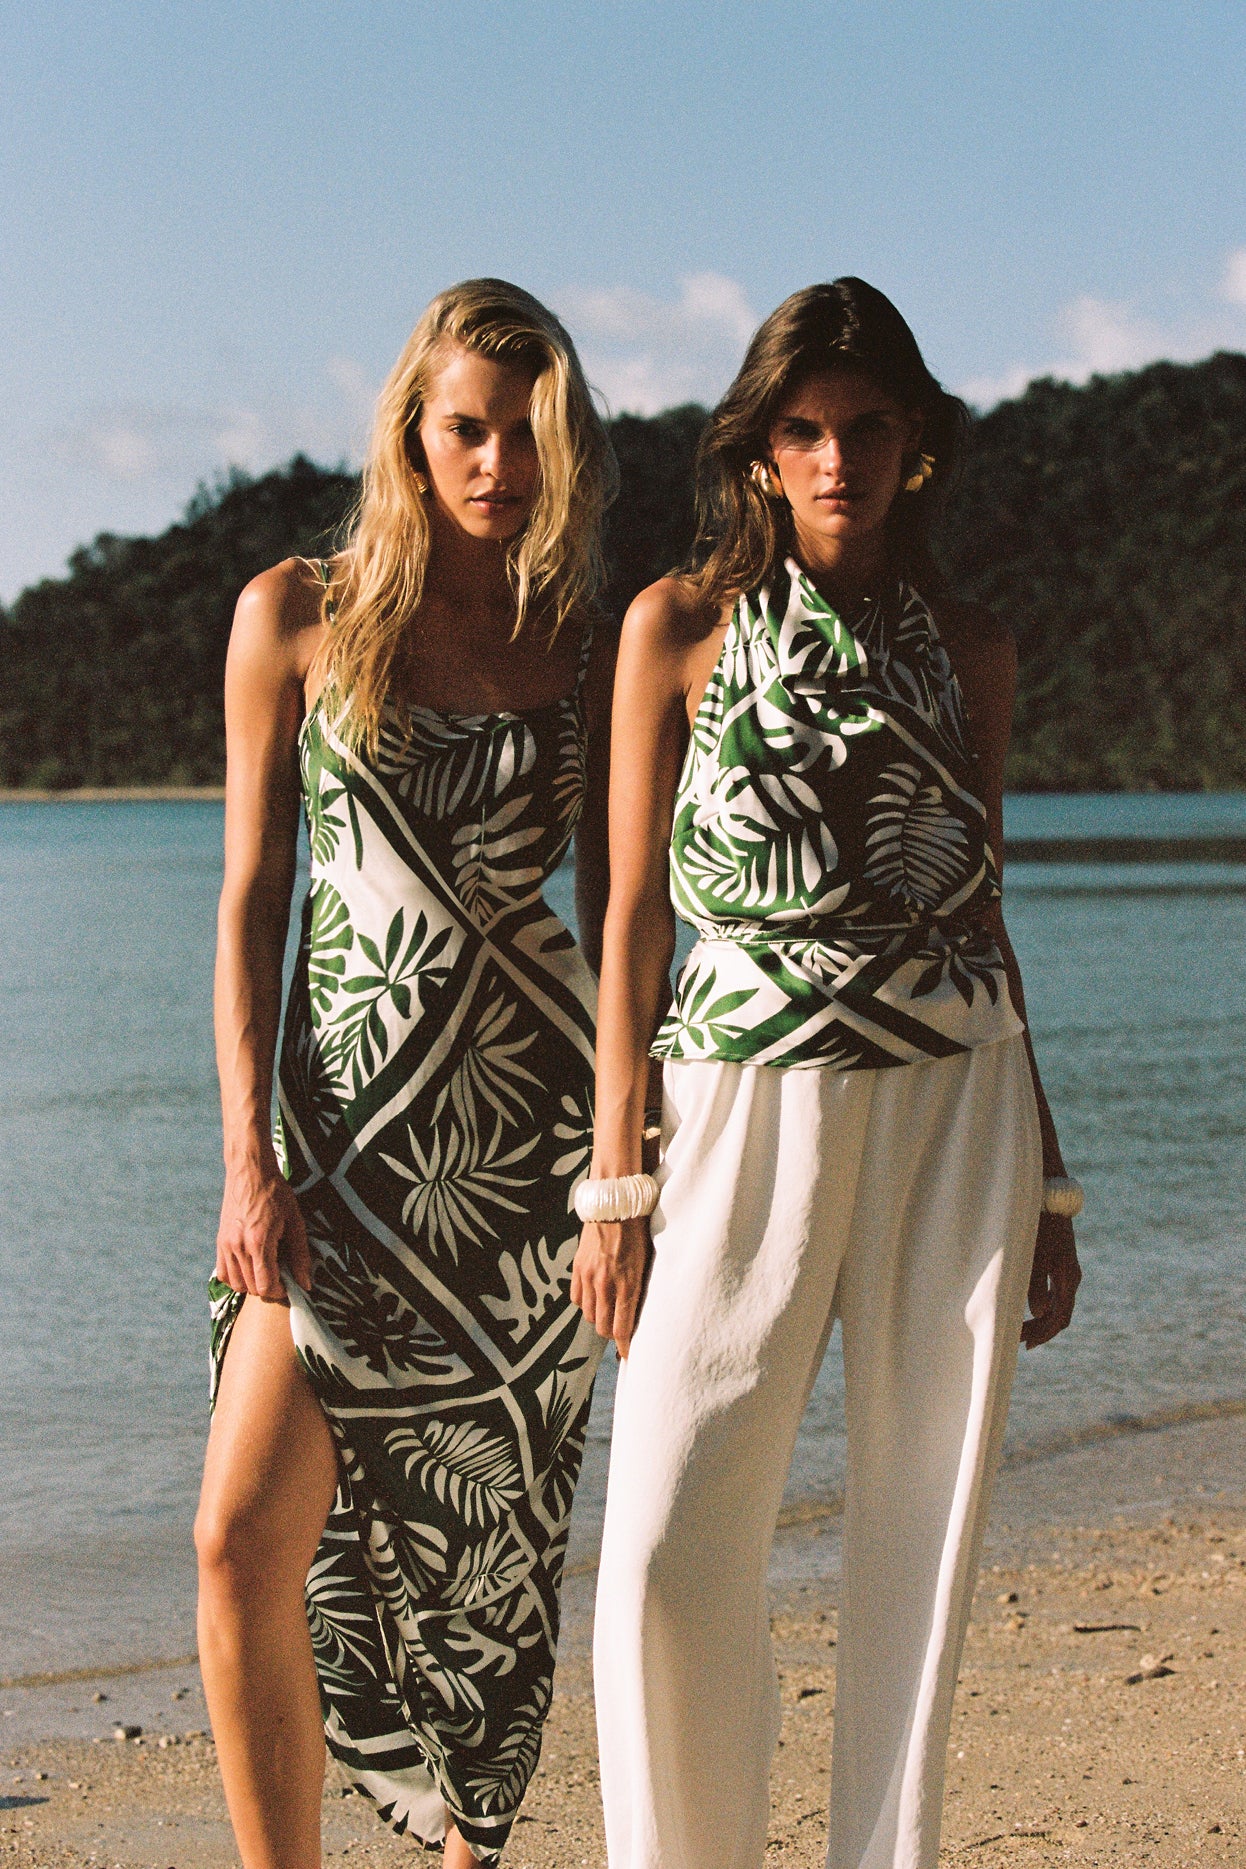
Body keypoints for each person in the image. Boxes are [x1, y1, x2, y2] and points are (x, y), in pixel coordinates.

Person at [572, 277, 1083, 1869]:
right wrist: (613, 1184)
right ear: (758, 452)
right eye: (801, 430)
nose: (834, 458)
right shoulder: (675, 626)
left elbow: (980, 908)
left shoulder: (971, 647)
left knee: (922, 1531)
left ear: (913, 442)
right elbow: (628, 915)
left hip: (954, 1100)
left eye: (864, 427)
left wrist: (1051, 1177)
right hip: (738, 1100)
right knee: (663, 1541)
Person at [195, 278, 616, 1869]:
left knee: (483, 1561)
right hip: (336, 1151)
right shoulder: (295, 612)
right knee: (240, 1536)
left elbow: (624, 918)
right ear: (411, 432)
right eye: (467, 428)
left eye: (527, 433)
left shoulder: (584, 641)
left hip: (524, 1163)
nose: (496, 461)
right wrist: (246, 1159)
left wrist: (627, 1174)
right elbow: (252, 902)